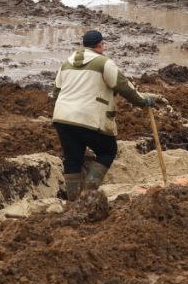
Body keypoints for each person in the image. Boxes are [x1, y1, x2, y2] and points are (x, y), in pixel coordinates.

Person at [51, 30, 156, 200]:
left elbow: (55, 94)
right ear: (100, 45)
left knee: (72, 159)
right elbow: (124, 87)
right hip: (89, 118)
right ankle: (88, 194)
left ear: (84, 45)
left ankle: (73, 202)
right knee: (108, 150)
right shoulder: (104, 63)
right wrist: (143, 101)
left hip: (62, 118)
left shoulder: (66, 64)